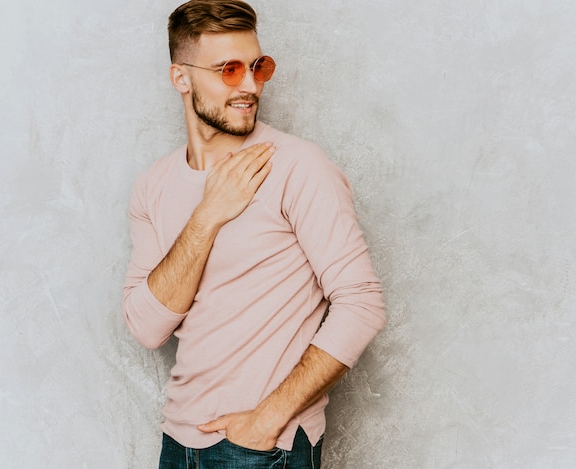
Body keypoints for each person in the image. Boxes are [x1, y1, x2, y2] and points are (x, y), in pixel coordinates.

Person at [122, 0, 386, 467]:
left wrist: (267, 420)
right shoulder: (153, 186)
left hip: (264, 447)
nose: (249, 85)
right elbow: (146, 327)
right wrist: (208, 215)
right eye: (228, 69)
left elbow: (361, 303)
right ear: (181, 77)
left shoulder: (297, 166)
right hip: (177, 442)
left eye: (257, 66)